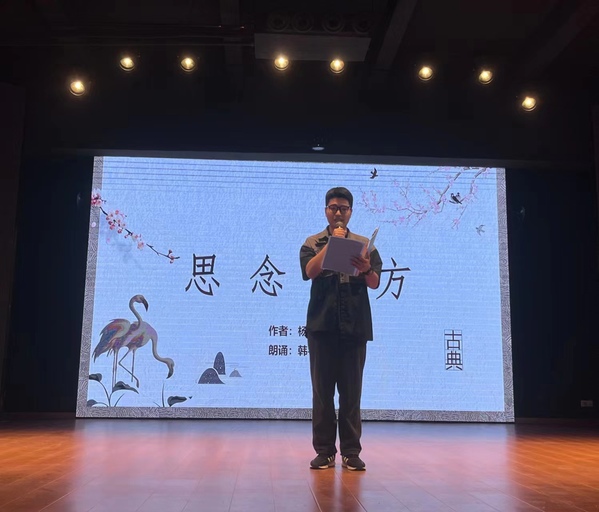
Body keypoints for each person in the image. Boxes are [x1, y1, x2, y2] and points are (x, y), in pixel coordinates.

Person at [299, 187, 382, 471]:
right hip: (321, 328)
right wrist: (332, 246)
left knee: (351, 394)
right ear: (326, 211)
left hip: (355, 328)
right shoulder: (313, 242)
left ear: (350, 212)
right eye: (333, 207)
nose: (338, 213)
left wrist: (367, 268)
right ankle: (324, 451)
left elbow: (375, 283)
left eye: (343, 209)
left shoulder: (364, 245)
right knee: (322, 393)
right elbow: (309, 271)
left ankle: (350, 451)